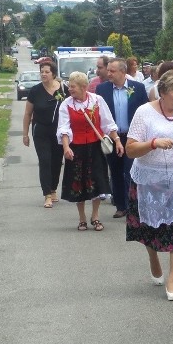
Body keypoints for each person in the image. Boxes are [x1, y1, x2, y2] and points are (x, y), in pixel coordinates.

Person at [125, 70, 173, 301]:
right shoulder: (144, 113)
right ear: (163, 92)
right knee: (150, 229)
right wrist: (154, 143)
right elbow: (130, 149)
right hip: (149, 180)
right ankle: (153, 256)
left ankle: (172, 280)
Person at [57, 71, 124, 232]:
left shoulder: (97, 100)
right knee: (78, 183)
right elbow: (64, 128)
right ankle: (82, 218)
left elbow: (108, 124)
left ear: (84, 87)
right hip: (77, 148)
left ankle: (95, 216)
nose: (70, 90)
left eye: (73, 87)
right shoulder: (66, 104)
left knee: (97, 181)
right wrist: (66, 147)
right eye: (69, 86)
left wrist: (117, 141)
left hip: (95, 147)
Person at [96, 58, 149, 218]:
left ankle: (133, 204)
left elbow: (145, 112)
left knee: (130, 170)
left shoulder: (138, 88)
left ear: (123, 72)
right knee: (116, 171)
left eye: (113, 71)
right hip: (112, 138)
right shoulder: (102, 89)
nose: (109, 73)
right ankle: (120, 205)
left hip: (132, 137)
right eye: (108, 70)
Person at [22, 61, 68, 208]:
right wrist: (25, 134)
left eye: (47, 71)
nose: (43, 74)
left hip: (59, 132)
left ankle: (54, 188)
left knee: (56, 161)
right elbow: (28, 113)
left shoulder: (63, 89)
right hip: (41, 130)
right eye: (42, 71)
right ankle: (47, 194)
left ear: (53, 74)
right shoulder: (35, 91)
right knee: (45, 160)